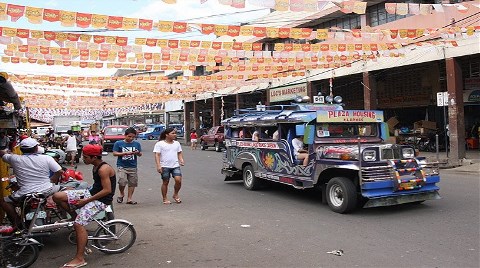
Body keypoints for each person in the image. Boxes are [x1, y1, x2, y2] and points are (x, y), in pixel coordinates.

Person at [53, 144, 116, 268]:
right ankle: (74, 216)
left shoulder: (103, 169)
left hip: (101, 200)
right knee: (57, 196)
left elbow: (107, 190)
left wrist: (85, 201)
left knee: (79, 224)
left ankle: (79, 258)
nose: (83, 159)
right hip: (91, 193)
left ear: (94, 157)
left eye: (86, 157)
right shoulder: (95, 166)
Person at [0, 137, 63, 229]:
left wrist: (6, 151)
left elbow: (2, 154)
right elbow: (59, 171)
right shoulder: (46, 158)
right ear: (36, 148)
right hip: (47, 189)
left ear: (21, 149)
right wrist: (52, 179)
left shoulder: (14, 159)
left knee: (4, 202)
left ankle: (16, 223)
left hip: (24, 193)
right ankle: (70, 217)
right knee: (67, 191)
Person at [153, 128, 184, 205]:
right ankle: (165, 198)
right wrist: (158, 165)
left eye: (175, 133)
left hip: (175, 165)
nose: (175, 135)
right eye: (173, 133)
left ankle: (175, 194)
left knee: (178, 180)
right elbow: (157, 155)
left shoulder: (176, 143)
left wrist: (181, 160)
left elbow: (179, 152)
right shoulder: (160, 144)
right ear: (167, 135)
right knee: (165, 182)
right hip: (164, 166)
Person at [112, 127, 142, 205]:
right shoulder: (118, 143)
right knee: (122, 181)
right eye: (129, 136)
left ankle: (129, 198)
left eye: (133, 137)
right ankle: (121, 193)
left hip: (133, 166)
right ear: (125, 135)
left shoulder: (137, 144)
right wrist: (124, 153)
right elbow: (115, 153)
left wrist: (137, 152)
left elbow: (140, 154)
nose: (131, 138)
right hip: (122, 166)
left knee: (132, 183)